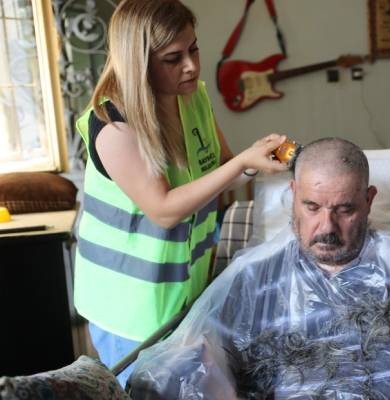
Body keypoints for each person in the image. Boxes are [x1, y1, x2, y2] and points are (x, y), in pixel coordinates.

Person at [127, 138, 390, 399]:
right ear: (293, 195)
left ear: (368, 200)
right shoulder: (255, 278)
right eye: (312, 207)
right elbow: (203, 353)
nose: (326, 227)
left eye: (345, 209)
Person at [72, 0, 288, 386]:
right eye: (173, 58)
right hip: (130, 309)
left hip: (183, 296)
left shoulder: (193, 98)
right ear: (138, 62)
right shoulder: (113, 126)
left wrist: (254, 161)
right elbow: (164, 210)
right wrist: (240, 164)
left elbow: (221, 169)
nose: (190, 65)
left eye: (194, 49)